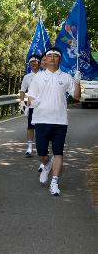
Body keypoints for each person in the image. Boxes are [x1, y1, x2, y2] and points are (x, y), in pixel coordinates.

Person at [28, 47, 81, 196]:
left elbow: (76, 96)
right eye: (49, 55)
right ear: (45, 59)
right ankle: (46, 165)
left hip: (60, 121)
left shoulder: (65, 77)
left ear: (60, 59)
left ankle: (55, 181)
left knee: (58, 152)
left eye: (55, 56)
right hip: (41, 119)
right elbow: (31, 96)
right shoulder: (37, 77)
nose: (52, 58)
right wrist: (33, 102)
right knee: (42, 153)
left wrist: (77, 81)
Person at [19, 54, 41, 157]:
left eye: (35, 62)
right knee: (30, 127)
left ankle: (42, 147)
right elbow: (23, 90)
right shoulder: (27, 77)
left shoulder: (44, 75)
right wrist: (22, 102)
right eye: (31, 62)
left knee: (42, 127)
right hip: (31, 106)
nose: (33, 64)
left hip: (43, 106)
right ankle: (29, 148)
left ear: (39, 63)